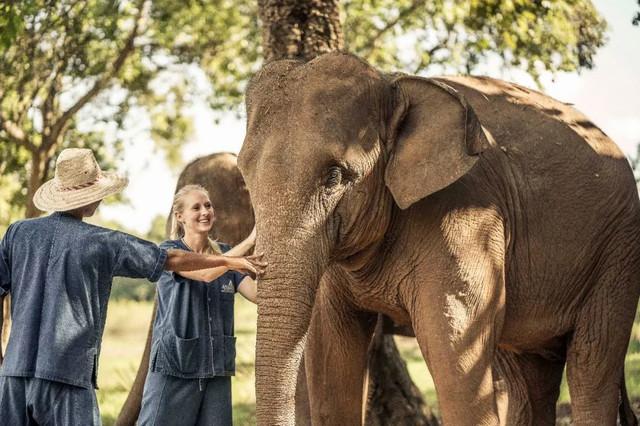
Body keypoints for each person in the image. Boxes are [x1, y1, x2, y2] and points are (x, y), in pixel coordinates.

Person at [0, 148, 264, 425]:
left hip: (13, 376)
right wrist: (230, 259)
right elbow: (169, 259)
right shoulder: (101, 241)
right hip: (67, 377)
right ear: (92, 197)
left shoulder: (18, 233)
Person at [139, 184, 258, 426]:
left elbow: (256, 294)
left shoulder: (226, 253)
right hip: (175, 366)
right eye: (196, 207)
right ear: (180, 216)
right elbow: (205, 273)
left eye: (208, 205)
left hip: (216, 370)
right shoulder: (169, 253)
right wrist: (251, 241)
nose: (205, 211)